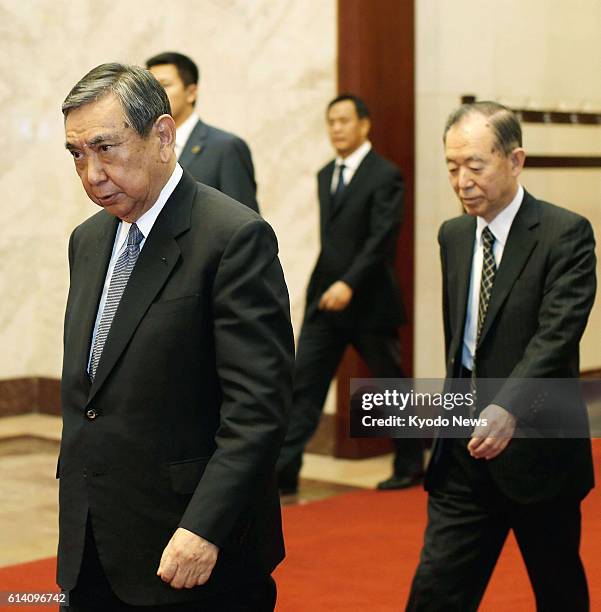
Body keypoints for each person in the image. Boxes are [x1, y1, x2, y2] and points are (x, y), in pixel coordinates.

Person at [58, 63, 294, 611]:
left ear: (162, 136)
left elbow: (258, 408)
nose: (91, 173)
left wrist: (205, 529)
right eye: (76, 154)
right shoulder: (87, 241)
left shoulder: (234, 238)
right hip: (94, 544)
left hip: (194, 551)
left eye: (105, 148)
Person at [406, 101, 596, 611]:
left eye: (475, 165)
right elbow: (464, 344)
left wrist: (508, 405)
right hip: (465, 450)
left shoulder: (566, 234)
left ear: (515, 161)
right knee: (435, 590)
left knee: (558, 589)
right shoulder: (453, 236)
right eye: (451, 166)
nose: (461, 180)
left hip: (537, 445)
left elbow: (556, 337)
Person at [276, 94, 424, 494]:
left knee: (391, 385)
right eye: (331, 122)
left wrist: (350, 283)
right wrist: (330, 285)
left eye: (344, 120)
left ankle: (411, 464)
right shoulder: (326, 174)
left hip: (369, 300)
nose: (337, 129)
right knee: (302, 385)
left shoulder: (385, 174)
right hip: (326, 301)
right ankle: (284, 471)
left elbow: (381, 240)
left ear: (364, 124)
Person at [146, 51, 259, 212]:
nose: (155, 94)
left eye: (164, 85)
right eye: (151, 87)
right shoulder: (144, 148)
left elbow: (247, 221)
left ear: (191, 93)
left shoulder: (226, 147)